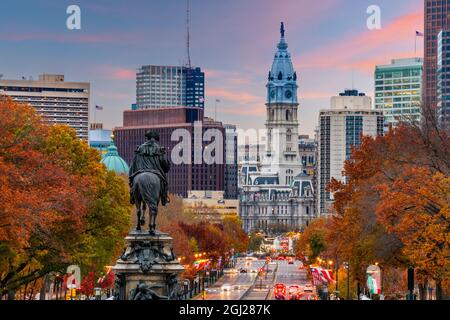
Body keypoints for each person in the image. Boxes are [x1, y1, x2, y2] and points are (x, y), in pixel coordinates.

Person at [129, 131, 170, 206]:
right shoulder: (159, 149)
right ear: (155, 139)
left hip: (140, 171)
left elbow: (133, 164)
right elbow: (166, 166)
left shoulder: (139, 148)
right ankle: (164, 199)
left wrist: (131, 177)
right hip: (155, 172)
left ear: (147, 138)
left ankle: (132, 196)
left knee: (133, 182)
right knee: (165, 183)